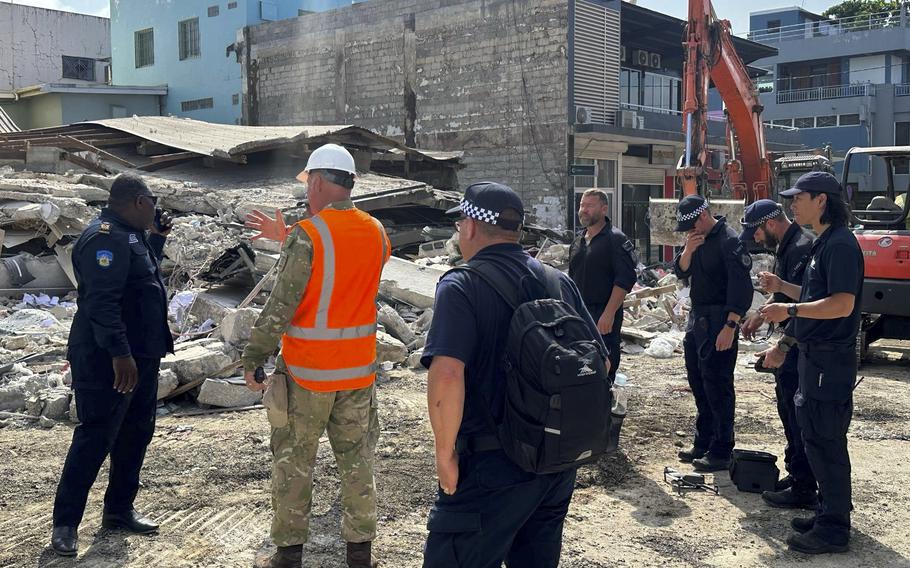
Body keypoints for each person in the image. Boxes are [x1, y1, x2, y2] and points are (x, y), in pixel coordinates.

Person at [421, 182, 606, 568]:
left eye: (459, 224)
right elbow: (601, 364)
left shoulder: (462, 284)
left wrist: (444, 454)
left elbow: (448, 375)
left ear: (470, 226)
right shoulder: (560, 282)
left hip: (491, 464)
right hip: (555, 459)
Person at [242, 143, 390, 568]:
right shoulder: (377, 232)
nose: (308, 193)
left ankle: (288, 555)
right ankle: (360, 554)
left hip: (308, 373)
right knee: (357, 462)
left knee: (294, 462)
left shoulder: (309, 234)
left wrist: (255, 354)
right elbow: (341, 267)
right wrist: (289, 237)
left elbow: (281, 304)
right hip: (358, 373)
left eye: (309, 184)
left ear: (320, 182)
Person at [50, 173, 174, 556]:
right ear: (139, 201)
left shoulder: (131, 235)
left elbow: (140, 279)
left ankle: (119, 510)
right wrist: (121, 354)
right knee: (95, 436)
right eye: (153, 201)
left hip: (140, 356)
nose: (155, 207)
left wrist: (157, 238)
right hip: (108, 360)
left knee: (136, 433)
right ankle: (66, 525)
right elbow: (101, 302)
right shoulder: (105, 237)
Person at [760, 171, 863, 555]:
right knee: (815, 438)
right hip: (814, 360)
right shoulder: (824, 244)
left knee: (826, 441)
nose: (792, 204)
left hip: (829, 363)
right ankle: (827, 512)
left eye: (798, 197)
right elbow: (816, 292)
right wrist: (784, 290)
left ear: (822, 200)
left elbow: (842, 303)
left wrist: (789, 308)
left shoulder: (839, 245)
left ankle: (835, 528)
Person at [738, 200, 818, 509]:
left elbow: (808, 307)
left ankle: (804, 488)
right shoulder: (788, 246)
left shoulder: (801, 247)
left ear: (770, 225)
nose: (756, 240)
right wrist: (760, 314)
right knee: (789, 414)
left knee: (798, 417)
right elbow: (785, 294)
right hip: (794, 345)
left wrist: (783, 346)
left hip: (799, 347)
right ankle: (799, 475)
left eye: (756, 233)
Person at [673, 195, 753, 472]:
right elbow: (680, 272)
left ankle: (721, 448)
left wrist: (731, 326)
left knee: (718, 386)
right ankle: (703, 440)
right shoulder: (697, 241)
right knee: (699, 382)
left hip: (720, 319)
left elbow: (741, 288)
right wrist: (687, 251)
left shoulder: (729, 241)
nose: (690, 232)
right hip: (698, 319)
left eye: (692, 226)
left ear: (704, 216)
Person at [568, 188, 637, 381]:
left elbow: (624, 280)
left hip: (603, 315)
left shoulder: (616, 240)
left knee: (604, 367)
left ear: (604, 209)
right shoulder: (577, 242)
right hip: (579, 314)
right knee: (579, 367)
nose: (583, 210)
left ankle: (604, 407)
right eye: (582, 205)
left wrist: (609, 314)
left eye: (590, 206)